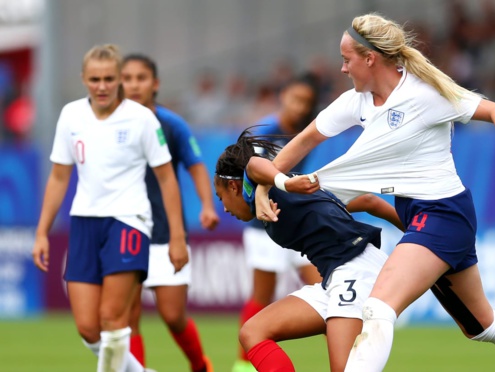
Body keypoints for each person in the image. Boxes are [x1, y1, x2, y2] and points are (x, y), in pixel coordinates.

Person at [255, 13, 495, 372]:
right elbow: (302, 142)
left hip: (443, 215)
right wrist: (266, 183)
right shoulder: (354, 102)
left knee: (378, 307)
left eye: (346, 60)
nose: (342, 69)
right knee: (482, 325)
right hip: (423, 214)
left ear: (370, 59)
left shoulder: (424, 94)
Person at [32, 44, 187, 372]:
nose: (101, 86)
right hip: (85, 223)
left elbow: (167, 179)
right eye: (94, 79)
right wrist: (42, 232)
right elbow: (59, 177)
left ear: (119, 79)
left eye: (108, 78)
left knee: (112, 319)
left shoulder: (142, 119)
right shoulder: (71, 115)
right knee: (89, 329)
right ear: (84, 79)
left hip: (128, 222)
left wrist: (177, 237)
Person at [214, 129, 404, 372]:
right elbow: (368, 201)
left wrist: (281, 182)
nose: (225, 209)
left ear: (232, 186)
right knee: (253, 332)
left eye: (220, 198)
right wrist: (415, 233)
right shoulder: (294, 186)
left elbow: (253, 164)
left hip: (356, 269)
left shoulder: (271, 186)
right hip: (335, 277)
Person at [121, 54, 219, 372]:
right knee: (128, 317)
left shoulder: (172, 124)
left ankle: (200, 365)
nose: (134, 84)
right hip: (124, 231)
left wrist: (206, 205)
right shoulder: (111, 125)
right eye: (128, 78)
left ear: (155, 83)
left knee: (173, 316)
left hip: (166, 232)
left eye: (141, 77)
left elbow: (196, 166)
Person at [232, 75, 322, 372]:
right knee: (261, 295)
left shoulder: (305, 130)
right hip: (264, 226)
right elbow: (253, 174)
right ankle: (242, 365)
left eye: (305, 102)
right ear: (282, 96)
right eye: (294, 98)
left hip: (296, 225)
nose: (298, 106)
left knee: (327, 287)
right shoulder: (268, 131)